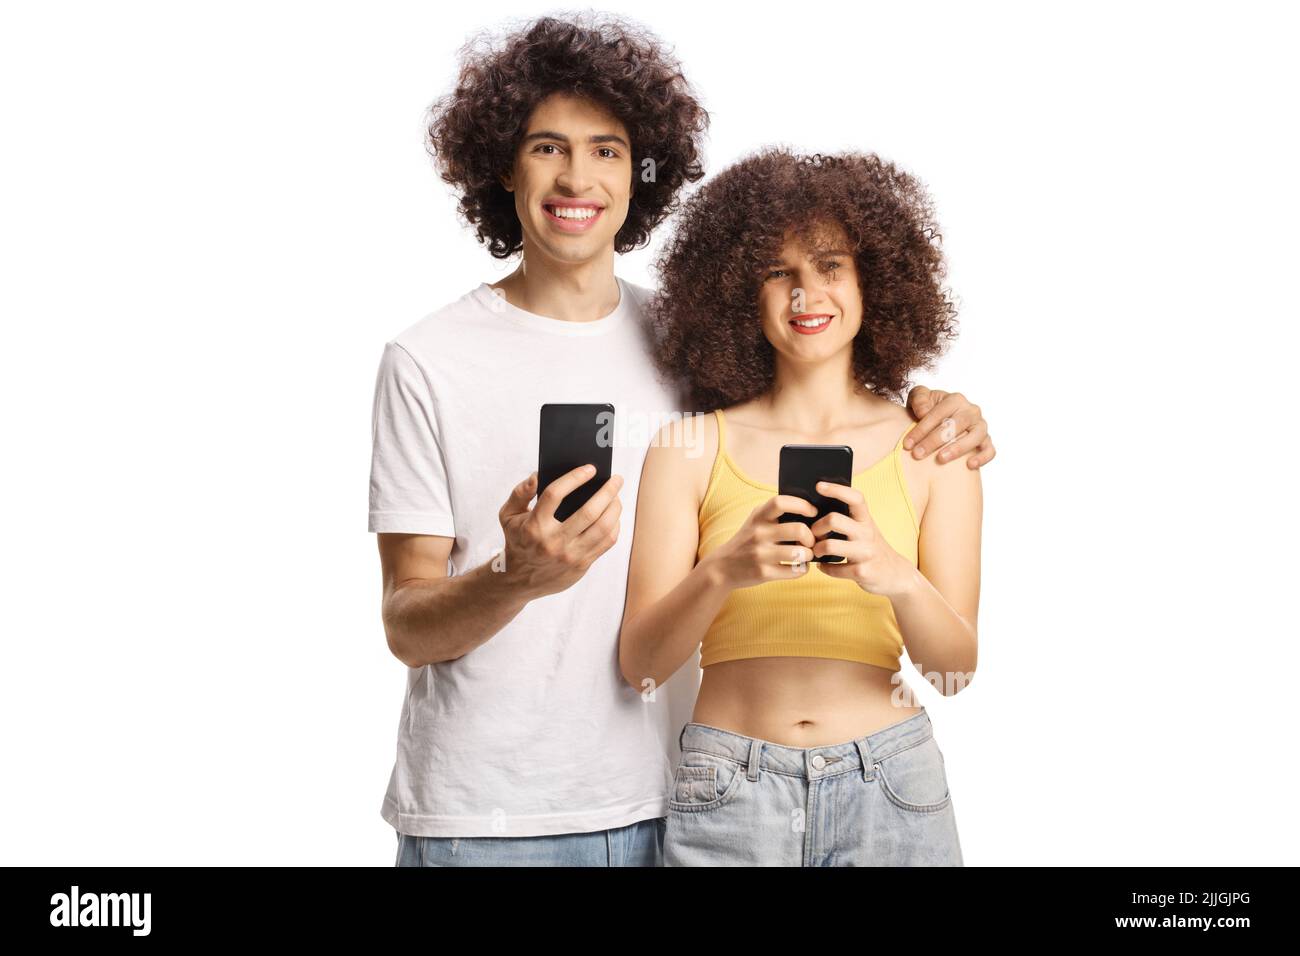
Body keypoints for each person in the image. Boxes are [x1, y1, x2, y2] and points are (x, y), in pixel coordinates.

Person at [371, 16, 996, 867]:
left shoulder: (683, 347)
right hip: (488, 813)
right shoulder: (428, 359)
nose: (577, 175)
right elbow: (406, 623)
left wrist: (933, 403)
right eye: (547, 146)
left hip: (662, 794)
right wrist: (515, 577)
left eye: (607, 149)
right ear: (503, 167)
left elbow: (812, 379)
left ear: (640, 173)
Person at [619, 148, 982, 866]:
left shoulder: (932, 450)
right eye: (776, 272)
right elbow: (642, 668)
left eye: (829, 266)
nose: (805, 294)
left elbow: (954, 671)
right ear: (738, 295)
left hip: (892, 786)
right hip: (727, 789)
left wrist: (892, 574)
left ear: (873, 280)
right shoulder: (687, 448)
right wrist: (723, 571)